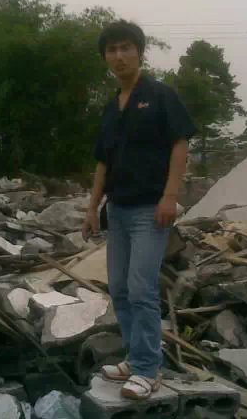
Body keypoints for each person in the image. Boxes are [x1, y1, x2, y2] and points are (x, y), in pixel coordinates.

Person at [82, 20, 196, 400]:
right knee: (119, 288)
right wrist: (92, 208)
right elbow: (103, 162)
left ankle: (149, 369)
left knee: (141, 289)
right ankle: (135, 357)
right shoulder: (110, 107)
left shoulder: (160, 95)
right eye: (111, 50)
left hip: (150, 210)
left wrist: (170, 196)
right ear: (105, 57)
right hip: (117, 210)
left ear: (139, 52)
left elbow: (180, 144)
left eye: (125, 48)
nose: (118, 56)